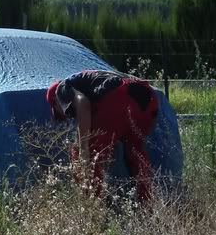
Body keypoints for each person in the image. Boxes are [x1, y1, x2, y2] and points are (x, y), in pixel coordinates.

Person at [46, 70, 159, 203]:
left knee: (89, 152)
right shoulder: (92, 78)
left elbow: (82, 103)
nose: (68, 115)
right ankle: (147, 203)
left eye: (63, 112)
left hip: (118, 98)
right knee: (135, 152)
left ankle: (93, 205)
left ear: (55, 101)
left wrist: (84, 148)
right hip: (147, 97)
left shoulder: (62, 89)